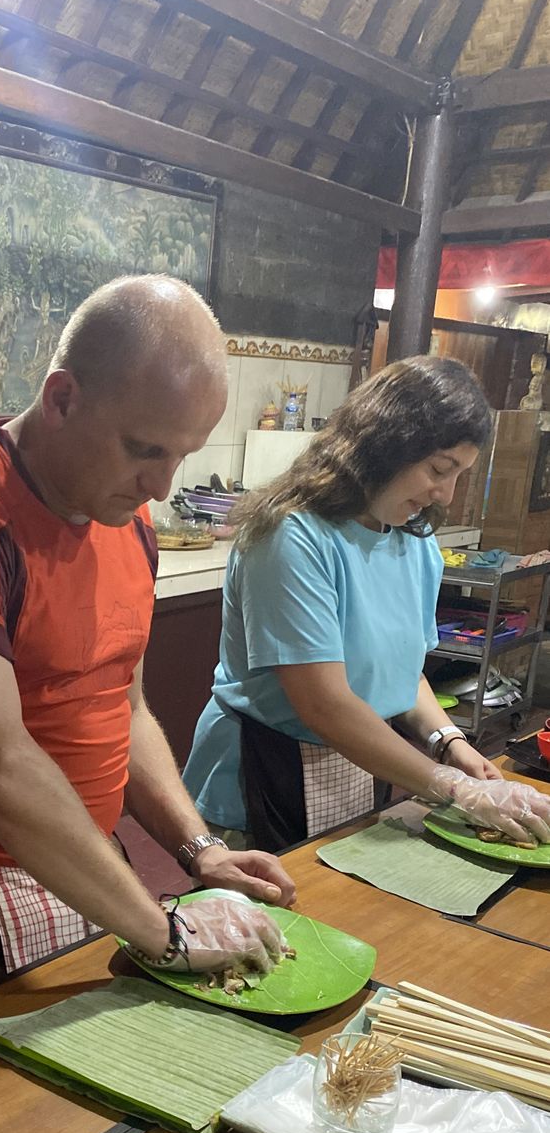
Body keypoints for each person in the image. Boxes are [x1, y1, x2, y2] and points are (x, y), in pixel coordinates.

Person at [0, 275, 295, 1026]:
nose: (161, 485)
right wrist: (164, 929)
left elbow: (119, 703)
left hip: (78, 846)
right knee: (10, 1114)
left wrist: (199, 852)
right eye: (144, 449)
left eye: (181, 456)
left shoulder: (128, 520)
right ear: (61, 397)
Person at [183, 355, 550, 851]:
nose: (445, 493)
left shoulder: (413, 541)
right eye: (439, 469)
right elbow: (324, 705)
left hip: (362, 762)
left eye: (459, 474)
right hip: (263, 772)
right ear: (383, 446)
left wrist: (449, 743)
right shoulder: (292, 536)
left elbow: (404, 673)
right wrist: (452, 787)